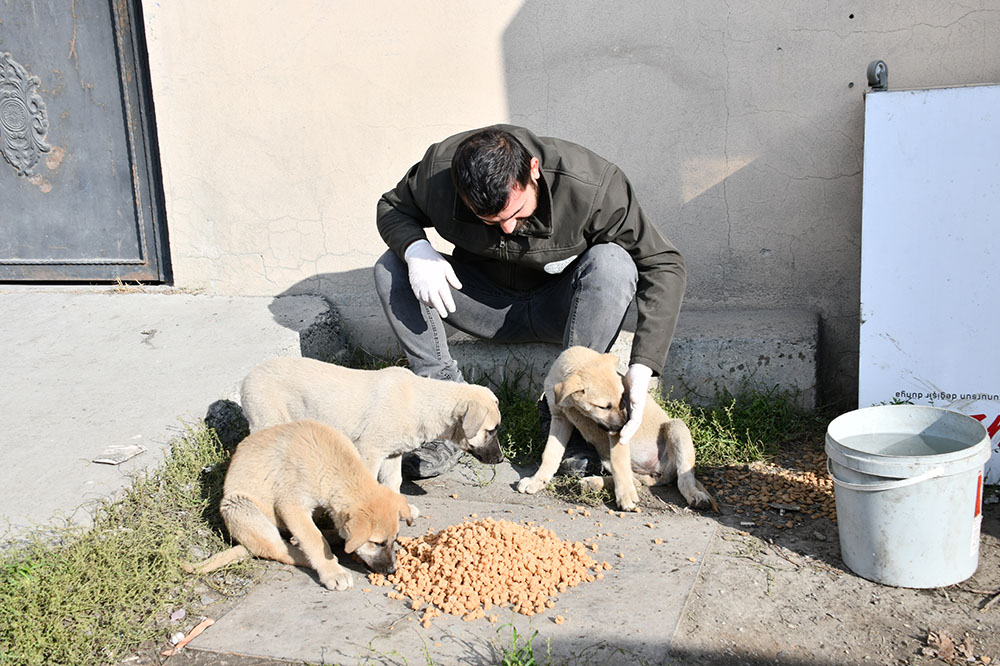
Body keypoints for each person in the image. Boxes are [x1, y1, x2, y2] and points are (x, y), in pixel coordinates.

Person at [374, 124, 686, 479]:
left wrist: (643, 366)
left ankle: (572, 420)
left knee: (613, 264)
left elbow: (662, 263)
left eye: (517, 212)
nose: (507, 228)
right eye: (489, 219)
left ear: (533, 170)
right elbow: (392, 207)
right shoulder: (437, 174)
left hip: (562, 307)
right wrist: (416, 249)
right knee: (390, 266)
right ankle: (450, 411)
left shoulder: (594, 185)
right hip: (480, 303)